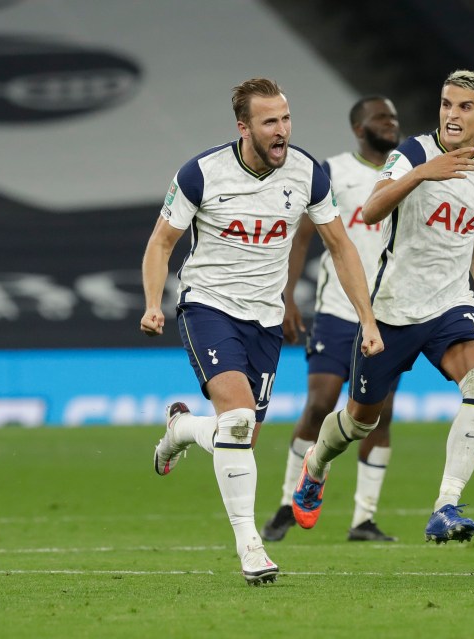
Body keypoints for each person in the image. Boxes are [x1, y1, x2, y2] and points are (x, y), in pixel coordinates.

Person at [139, 78, 383, 585]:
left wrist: (366, 317)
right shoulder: (201, 173)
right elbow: (162, 243)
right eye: (270, 122)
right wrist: (151, 304)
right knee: (236, 423)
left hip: (265, 322)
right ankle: (251, 548)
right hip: (208, 306)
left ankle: (182, 430)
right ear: (243, 127)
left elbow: (340, 247)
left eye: (287, 119)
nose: (282, 131)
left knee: (241, 436)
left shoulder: (308, 173)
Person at [289, 69, 474, 544]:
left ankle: (445, 505)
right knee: (358, 420)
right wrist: (422, 173)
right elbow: (370, 210)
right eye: (447, 104)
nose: (453, 114)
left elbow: (468, 224)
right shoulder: (411, 153)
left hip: (450, 304)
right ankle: (316, 464)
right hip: (393, 309)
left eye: (465, 107)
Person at [260, 96, 402, 544]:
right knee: (321, 404)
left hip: (390, 311)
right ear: (359, 128)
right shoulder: (333, 171)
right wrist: (287, 296)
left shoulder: (409, 170)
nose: (391, 124)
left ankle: (364, 519)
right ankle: (288, 501)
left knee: (380, 414)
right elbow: (302, 238)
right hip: (339, 311)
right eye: (382, 118)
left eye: (394, 118)